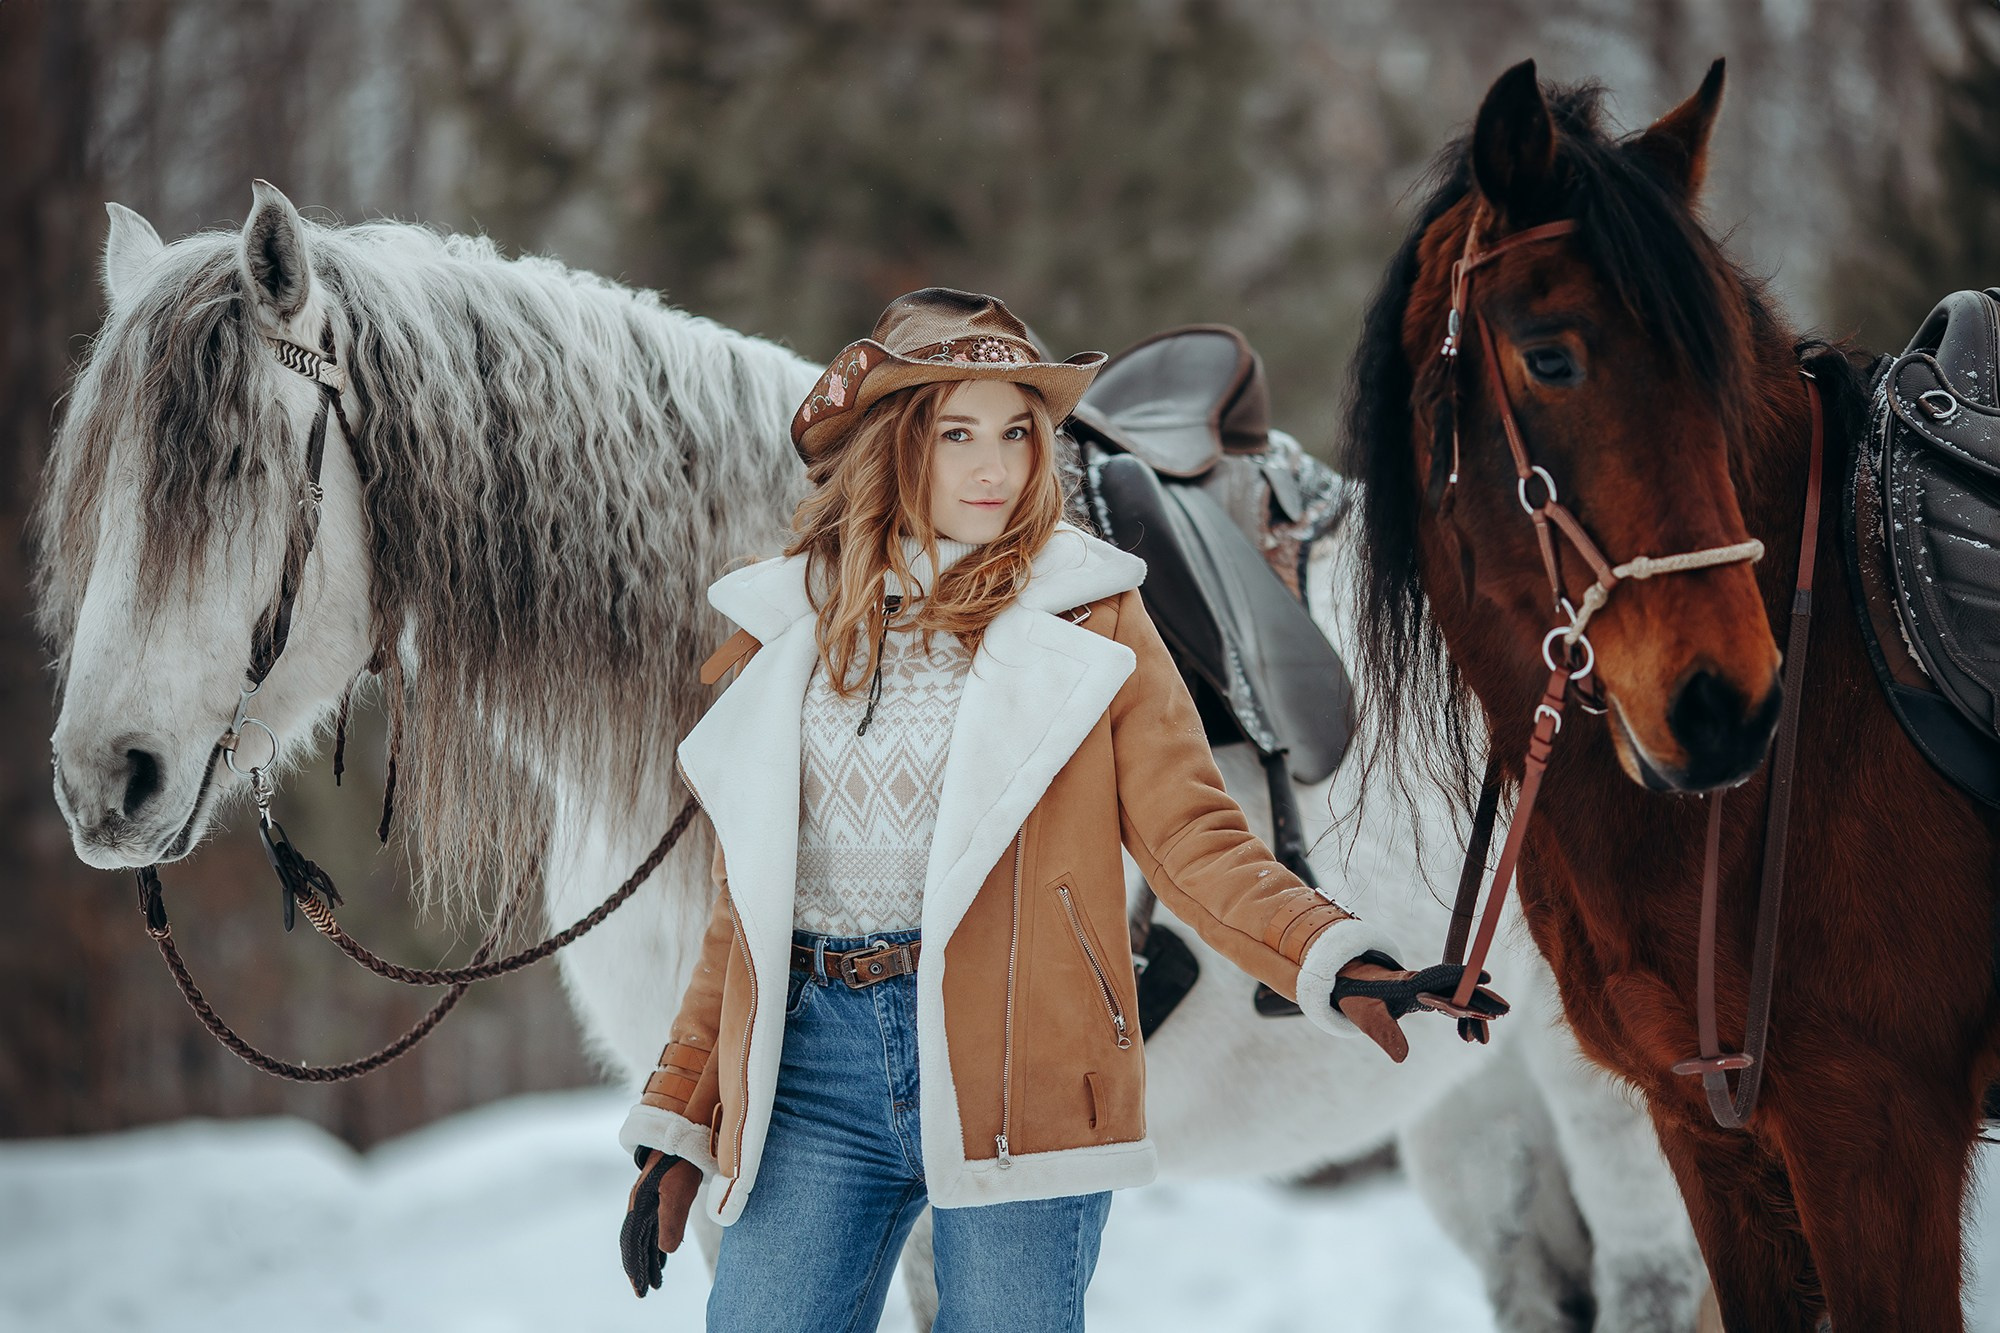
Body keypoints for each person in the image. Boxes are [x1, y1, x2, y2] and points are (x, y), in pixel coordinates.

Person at [615, 288, 1505, 1331]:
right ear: (893, 446)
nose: (994, 467)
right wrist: (678, 1120)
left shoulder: (1094, 620)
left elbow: (1191, 836)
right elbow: (746, 914)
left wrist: (1331, 959)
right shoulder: (796, 633)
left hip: (1023, 1074)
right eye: (957, 433)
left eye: (1016, 432)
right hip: (815, 1076)